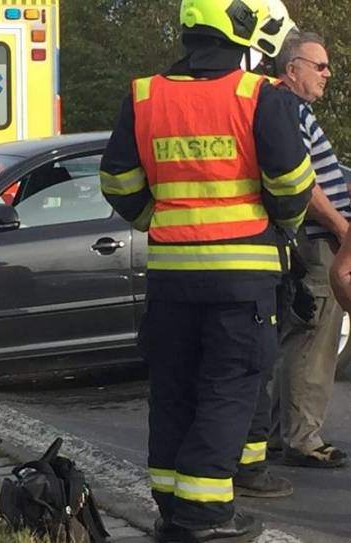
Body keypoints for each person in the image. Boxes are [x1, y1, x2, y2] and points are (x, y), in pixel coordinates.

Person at [100, 0, 313, 541]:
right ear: (242, 31)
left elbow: (118, 182)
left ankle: (172, 507)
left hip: (171, 276)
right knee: (228, 389)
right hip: (241, 274)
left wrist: (160, 219)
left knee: (173, 389)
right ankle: (205, 515)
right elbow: (292, 184)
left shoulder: (144, 94)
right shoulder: (257, 95)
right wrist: (278, 227)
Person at [267, 30, 350, 468]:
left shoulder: (290, 108)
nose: (327, 74)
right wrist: (341, 227)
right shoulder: (287, 109)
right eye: (319, 66)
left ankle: (283, 433)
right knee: (315, 340)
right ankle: (302, 438)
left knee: (301, 336)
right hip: (319, 242)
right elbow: (304, 184)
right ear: (292, 68)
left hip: (316, 238)